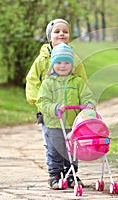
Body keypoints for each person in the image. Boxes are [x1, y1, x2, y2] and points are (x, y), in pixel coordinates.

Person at [25, 19, 88, 187]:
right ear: (49, 37)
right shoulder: (42, 59)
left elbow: (82, 82)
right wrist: (40, 102)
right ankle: (54, 174)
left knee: (72, 144)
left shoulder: (74, 59)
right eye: (57, 31)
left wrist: (85, 103)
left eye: (65, 31)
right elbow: (32, 80)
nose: (61, 34)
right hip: (50, 112)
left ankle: (71, 174)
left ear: (69, 36)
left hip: (71, 112)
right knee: (53, 144)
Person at [37, 43, 96, 189]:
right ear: (52, 64)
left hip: (74, 123)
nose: (62, 66)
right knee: (55, 150)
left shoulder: (78, 82)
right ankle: (55, 175)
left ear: (72, 65)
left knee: (73, 150)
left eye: (66, 63)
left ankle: (71, 174)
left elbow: (87, 96)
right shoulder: (48, 83)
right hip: (54, 124)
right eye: (58, 62)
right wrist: (55, 108)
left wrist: (89, 104)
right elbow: (42, 102)